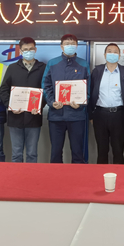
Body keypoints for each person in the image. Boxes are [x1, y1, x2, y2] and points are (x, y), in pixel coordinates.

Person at [42, 34, 90, 164]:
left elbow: (88, 89)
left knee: (78, 152)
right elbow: (45, 85)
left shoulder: (83, 64)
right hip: (56, 116)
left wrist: (80, 104)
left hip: (77, 116)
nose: (70, 46)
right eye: (67, 44)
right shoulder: (52, 63)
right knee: (56, 152)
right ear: (61, 46)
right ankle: (56, 176)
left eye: (72, 43)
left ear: (77, 46)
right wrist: (52, 102)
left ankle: (77, 175)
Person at [1, 37, 47, 163]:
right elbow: (3, 89)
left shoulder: (43, 68)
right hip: (15, 117)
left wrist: (40, 106)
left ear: (35, 49)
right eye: (25, 49)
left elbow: (47, 90)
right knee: (16, 154)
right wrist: (10, 105)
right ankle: (17, 176)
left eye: (31, 49)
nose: (28, 51)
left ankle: (31, 176)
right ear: (20, 51)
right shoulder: (12, 68)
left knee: (32, 154)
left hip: (34, 117)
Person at [89, 44, 124, 164]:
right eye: (109, 51)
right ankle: (101, 174)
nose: (112, 54)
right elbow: (90, 91)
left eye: (115, 52)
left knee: (118, 150)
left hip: (119, 115)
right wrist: (91, 115)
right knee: (102, 150)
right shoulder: (97, 71)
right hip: (100, 114)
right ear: (105, 55)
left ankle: (119, 174)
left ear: (119, 55)